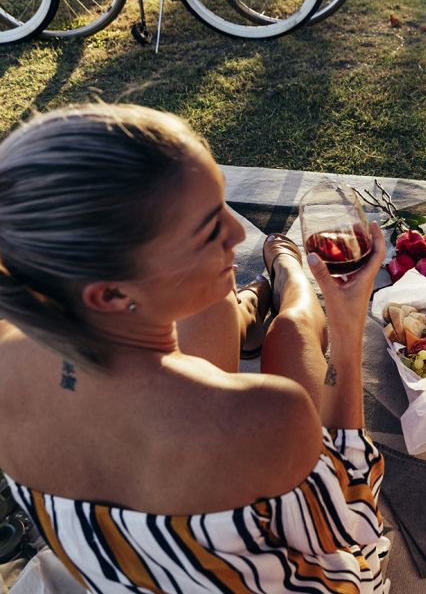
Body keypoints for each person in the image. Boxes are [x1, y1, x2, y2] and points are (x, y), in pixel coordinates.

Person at [0, 104, 391, 592]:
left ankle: (256, 299)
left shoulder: (11, 355)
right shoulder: (264, 415)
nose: (237, 232)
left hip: (130, 571)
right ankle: (290, 279)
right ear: (111, 293)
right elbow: (352, 534)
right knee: (293, 330)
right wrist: (348, 328)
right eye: (207, 229)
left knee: (212, 309)